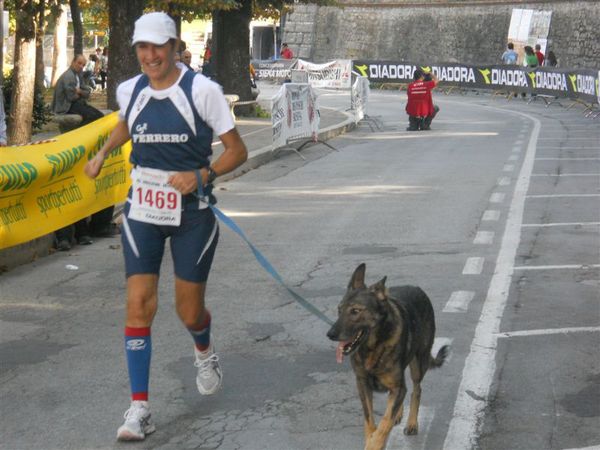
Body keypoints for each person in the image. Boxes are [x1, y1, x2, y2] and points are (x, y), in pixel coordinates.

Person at [84, 12, 248, 442]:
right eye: (143, 47)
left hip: (193, 214)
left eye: (158, 46)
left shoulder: (202, 91)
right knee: (139, 304)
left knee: (188, 310)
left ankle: (204, 349)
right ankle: (140, 408)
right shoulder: (130, 88)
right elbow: (126, 121)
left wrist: (202, 176)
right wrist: (103, 155)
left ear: (175, 47)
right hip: (143, 211)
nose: (150, 55)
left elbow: (237, 150)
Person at [52, 54, 113, 250]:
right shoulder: (69, 77)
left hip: (75, 105)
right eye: (79, 63)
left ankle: (83, 230)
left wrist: (81, 91)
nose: (81, 66)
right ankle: (72, 234)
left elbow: (87, 91)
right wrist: (80, 92)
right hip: (67, 108)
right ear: (72, 62)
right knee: (93, 116)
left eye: (83, 64)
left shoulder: (79, 76)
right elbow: (72, 96)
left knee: (95, 115)